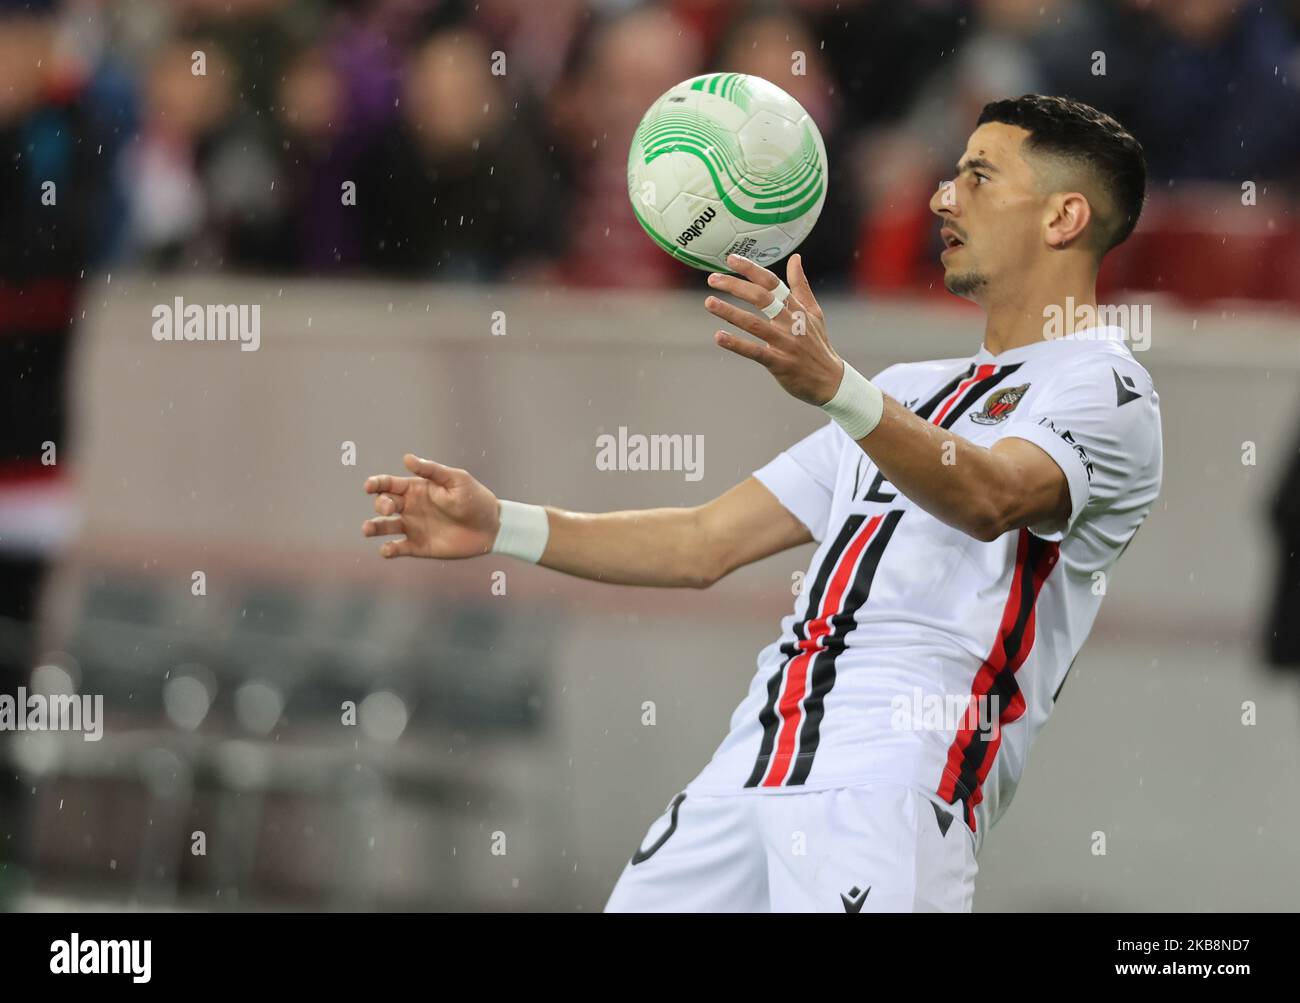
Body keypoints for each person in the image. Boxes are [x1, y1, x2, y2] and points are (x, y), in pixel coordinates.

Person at [360, 95, 1163, 912]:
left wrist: (838, 390)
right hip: (749, 767)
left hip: (896, 785)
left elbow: (990, 496)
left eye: (979, 177)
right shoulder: (906, 391)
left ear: (1065, 216)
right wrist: (506, 524)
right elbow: (703, 541)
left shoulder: (1109, 391)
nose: (941, 197)